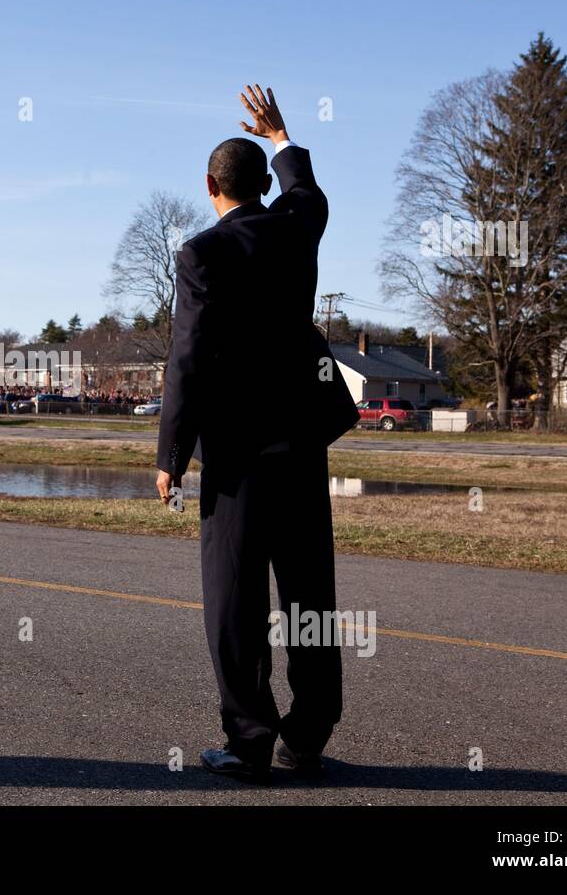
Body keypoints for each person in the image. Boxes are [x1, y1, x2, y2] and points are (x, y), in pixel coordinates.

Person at [155, 85, 356, 785]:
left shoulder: (202, 252)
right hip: (301, 448)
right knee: (311, 601)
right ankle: (308, 736)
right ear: (264, 185)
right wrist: (281, 135)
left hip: (238, 456)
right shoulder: (297, 227)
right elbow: (307, 189)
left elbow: (187, 357)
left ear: (209, 185)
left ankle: (249, 744)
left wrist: (170, 454)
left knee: (235, 604)